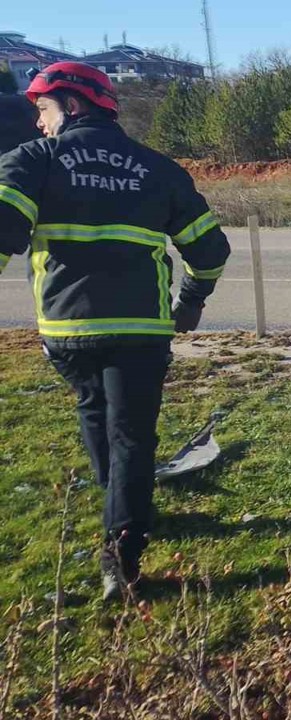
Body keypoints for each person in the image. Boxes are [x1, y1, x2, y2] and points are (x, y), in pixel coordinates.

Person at [0, 62, 231, 601]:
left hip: (67, 328)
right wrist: (192, 300)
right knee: (131, 433)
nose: (38, 124)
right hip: (141, 330)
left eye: (43, 110)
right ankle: (122, 553)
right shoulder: (157, 168)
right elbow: (210, 250)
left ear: (72, 105)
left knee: (93, 412)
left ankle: (121, 513)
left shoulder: (36, 159)